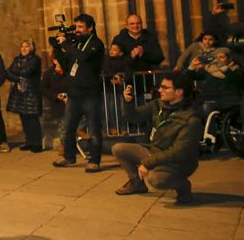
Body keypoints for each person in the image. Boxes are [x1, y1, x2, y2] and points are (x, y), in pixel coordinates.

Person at [113, 73, 202, 204]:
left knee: (157, 180)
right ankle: (137, 183)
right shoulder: (158, 105)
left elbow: (178, 152)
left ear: (179, 92)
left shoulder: (191, 119)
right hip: (155, 151)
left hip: (179, 162)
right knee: (119, 148)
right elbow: (132, 117)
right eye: (160, 87)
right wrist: (128, 102)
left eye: (165, 88)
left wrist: (148, 163)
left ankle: (183, 186)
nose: (160, 90)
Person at [52, 13, 106, 172]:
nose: (77, 30)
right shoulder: (75, 45)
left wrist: (67, 46)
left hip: (90, 94)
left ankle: (94, 160)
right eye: (76, 27)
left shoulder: (96, 44)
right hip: (74, 94)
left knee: (94, 129)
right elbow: (66, 64)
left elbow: (83, 57)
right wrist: (59, 48)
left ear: (90, 28)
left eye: (81, 27)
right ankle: (69, 157)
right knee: (68, 127)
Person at [5, 39, 42, 152]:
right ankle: (29, 141)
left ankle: (37, 143)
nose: (24, 48)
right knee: (24, 118)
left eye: (26, 46)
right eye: (22, 46)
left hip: (31, 93)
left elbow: (26, 71)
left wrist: (16, 73)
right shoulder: (17, 59)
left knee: (32, 118)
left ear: (31, 48)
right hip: (19, 93)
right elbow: (7, 72)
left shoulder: (35, 60)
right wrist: (17, 78)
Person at [101, 43, 132, 134]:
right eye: (111, 49)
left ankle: (123, 128)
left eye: (114, 50)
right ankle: (112, 127)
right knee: (108, 109)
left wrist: (122, 79)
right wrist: (113, 76)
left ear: (121, 53)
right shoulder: (106, 60)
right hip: (108, 88)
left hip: (120, 89)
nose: (111, 51)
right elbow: (105, 69)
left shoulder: (124, 61)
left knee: (120, 109)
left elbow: (129, 71)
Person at [41, 50, 68, 150]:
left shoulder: (69, 72)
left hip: (71, 102)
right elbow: (43, 88)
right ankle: (65, 147)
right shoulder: (48, 73)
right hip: (58, 104)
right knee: (62, 126)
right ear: (55, 61)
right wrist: (55, 96)